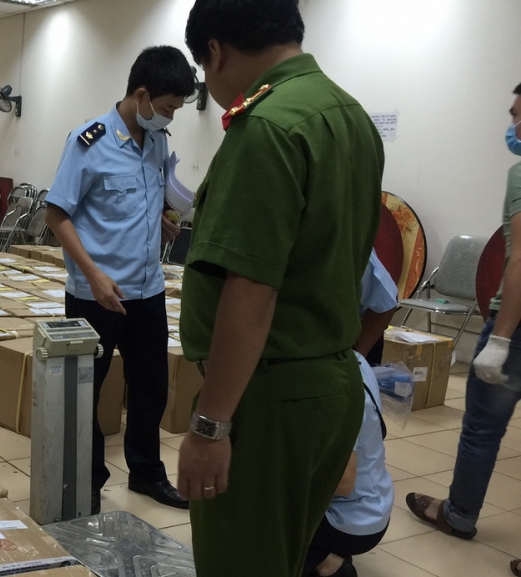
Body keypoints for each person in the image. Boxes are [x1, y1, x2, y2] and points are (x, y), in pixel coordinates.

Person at [177, 1, 384, 575]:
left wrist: (210, 428)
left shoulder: (266, 127)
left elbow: (252, 288)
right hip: (330, 383)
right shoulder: (349, 115)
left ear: (215, 51)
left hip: (268, 397)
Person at [44, 46, 194, 514]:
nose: (169, 117)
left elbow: (142, 198)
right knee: (87, 391)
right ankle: (88, 479)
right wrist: (93, 275)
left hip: (148, 291)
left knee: (151, 388)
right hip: (96, 295)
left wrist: (160, 220)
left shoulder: (157, 140)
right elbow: (56, 214)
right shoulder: (88, 141)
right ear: (142, 95)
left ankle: (147, 473)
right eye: (167, 108)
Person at [407, 83, 521, 577]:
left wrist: (500, 339)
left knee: (482, 429)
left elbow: (520, 261)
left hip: (516, 327)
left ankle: (459, 515)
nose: (513, 127)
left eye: (519, 115)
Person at [304, 251, 397, 577]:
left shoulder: (331, 382)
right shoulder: (353, 360)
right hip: (370, 505)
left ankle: (328, 563)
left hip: (352, 519)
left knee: (260, 516)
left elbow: (343, 482)